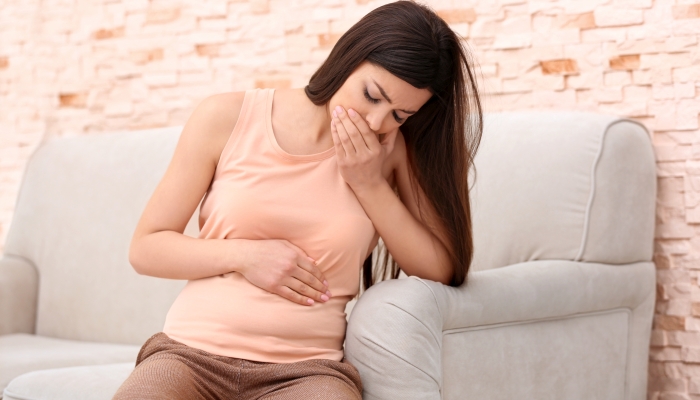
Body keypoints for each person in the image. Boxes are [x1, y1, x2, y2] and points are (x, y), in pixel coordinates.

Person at [113, 0, 483, 398]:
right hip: (188, 355)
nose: (376, 123)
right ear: (347, 58)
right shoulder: (225, 117)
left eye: (399, 115)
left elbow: (439, 268)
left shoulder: (389, 153)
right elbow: (146, 247)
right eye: (372, 96)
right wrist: (245, 257)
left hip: (306, 373)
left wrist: (369, 183)